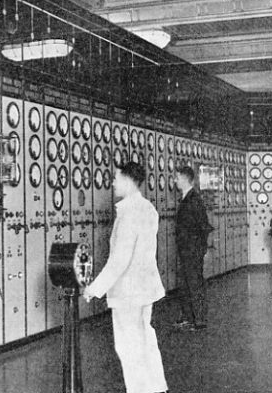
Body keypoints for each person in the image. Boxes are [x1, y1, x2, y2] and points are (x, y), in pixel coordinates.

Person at [83, 162, 168, 393]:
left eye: (116, 178)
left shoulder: (130, 213)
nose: (112, 183)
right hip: (145, 287)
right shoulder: (148, 208)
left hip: (129, 290)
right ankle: (157, 387)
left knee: (129, 346)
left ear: (129, 181)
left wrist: (94, 288)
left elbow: (120, 259)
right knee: (145, 339)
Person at [174, 165, 213, 331]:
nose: (175, 181)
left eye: (176, 177)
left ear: (184, 179)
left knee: (194, 284)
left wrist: (200, 249)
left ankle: (199, 320)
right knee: (185, 284)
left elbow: (204, 226)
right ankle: (189, 318)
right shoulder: (185, 198)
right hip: (185, 250)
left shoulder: (194, 199)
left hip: (192, 250)